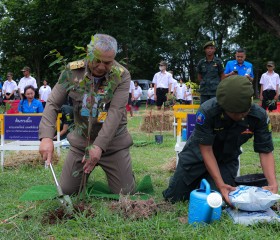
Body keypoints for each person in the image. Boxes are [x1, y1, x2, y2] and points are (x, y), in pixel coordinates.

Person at [39, 34, 135, 196]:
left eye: (107, 62)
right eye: (97, 60)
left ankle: (125, 175)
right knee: (68, 190)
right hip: (82, 141)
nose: (101, 67)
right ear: (88, 53)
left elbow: (115, 112)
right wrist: (46, 137)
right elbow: (53, 103)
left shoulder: (122, 75)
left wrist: (99, 146)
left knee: (125, 192)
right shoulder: (71, 71)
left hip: (113, 144)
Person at [163, 75, 278, 205]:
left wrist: (273, 183)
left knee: (217, 200)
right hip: (196, 156)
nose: (240, 116)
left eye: (243, 112)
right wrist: (220, 183)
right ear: (223, 106)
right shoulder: (207, 111)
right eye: (234, 113)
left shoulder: (259, 116)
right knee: (174, 198)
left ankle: (209, 183)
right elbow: (206, 150)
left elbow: (265, 151)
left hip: (226, 160)